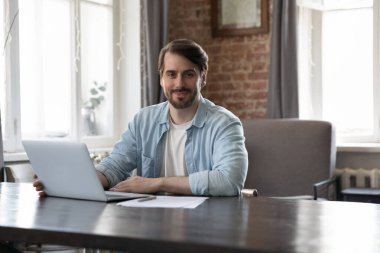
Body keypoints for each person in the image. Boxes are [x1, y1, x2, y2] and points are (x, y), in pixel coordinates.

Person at [34, 39, 248, 196]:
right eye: (171, 74)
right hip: (149, 222)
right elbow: (115, 166)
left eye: (189, 74)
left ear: (203, 76)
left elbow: (229, 180)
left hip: (205, 225)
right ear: (162, 78)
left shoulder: (225, 124)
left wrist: (157, 184)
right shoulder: (143, 121)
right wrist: (66, 183)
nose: (179, 83)